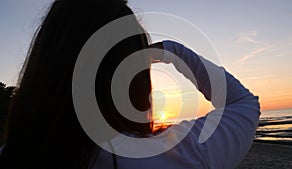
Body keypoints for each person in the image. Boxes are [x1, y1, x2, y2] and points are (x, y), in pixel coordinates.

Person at [0, 0, 260, 169]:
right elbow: (243, 102)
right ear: (134, 78)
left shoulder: (10, 157)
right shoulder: (181, 153)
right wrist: (172, 51)